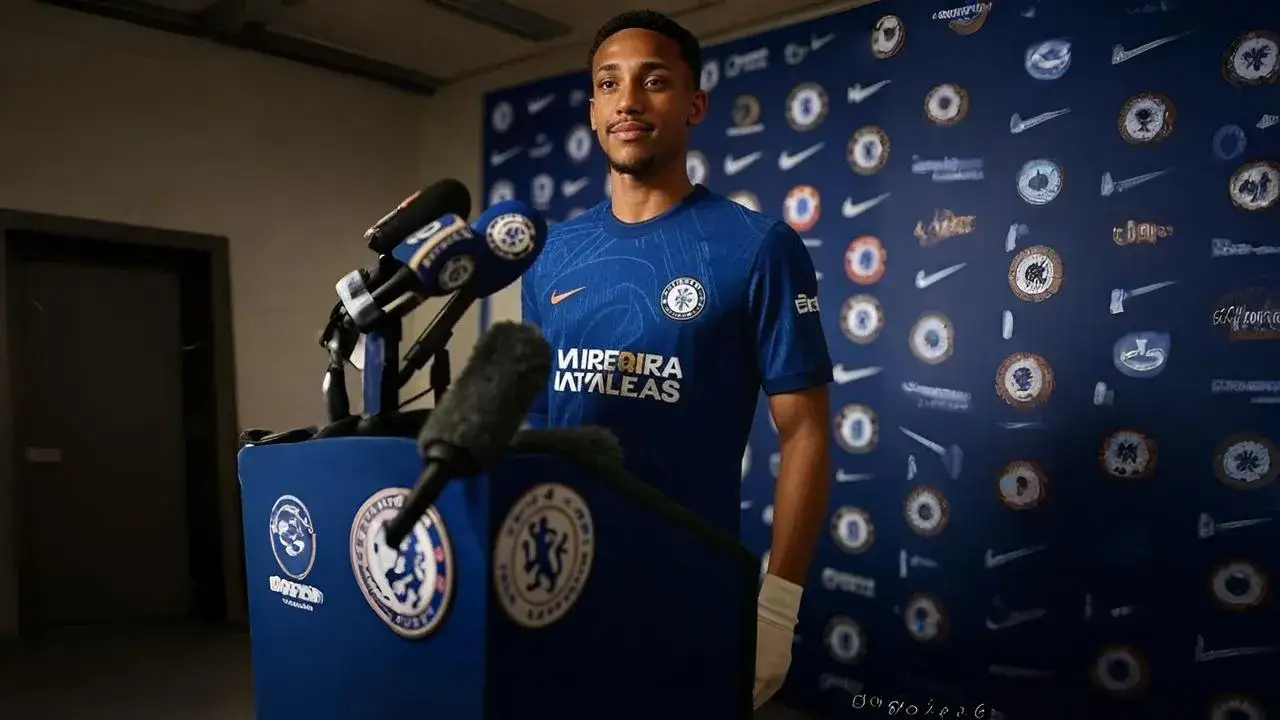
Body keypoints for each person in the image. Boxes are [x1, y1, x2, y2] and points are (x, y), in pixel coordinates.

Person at [519, 10, 833, 710]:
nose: (628, 99)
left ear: (693, 104)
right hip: (558, 584)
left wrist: (777, 608)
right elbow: (537, 420)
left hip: (690, 593)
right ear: (595, 110)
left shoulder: (757, 246)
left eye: (653, 81)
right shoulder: (550, 256)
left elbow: (805, 432)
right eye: (609, 84)